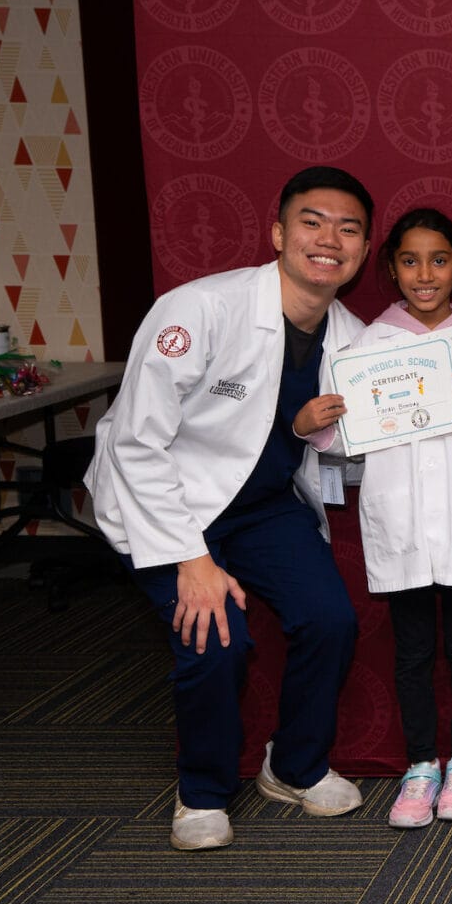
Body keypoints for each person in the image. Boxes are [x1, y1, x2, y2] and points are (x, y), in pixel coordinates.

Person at [87, 166, 374, 851]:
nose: (329, 238)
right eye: (312, 220)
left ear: (363, 250)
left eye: (349, 228)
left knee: (330, 618)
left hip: (262, 505)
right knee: (216, 634)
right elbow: (136, 441)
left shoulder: (358, 340)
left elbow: (356, 449)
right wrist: (193, 559)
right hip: (167, 504)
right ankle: (203, 789)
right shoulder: (198, 310)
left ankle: (294, 765)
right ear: (277, 232)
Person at [306, 208, 452, 829]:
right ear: (391, 268)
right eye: (411, 260)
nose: (426, 275)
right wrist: (320, 426)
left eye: (439, 260)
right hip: (399, 520)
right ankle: (421, 765)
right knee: (413, 651)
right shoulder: (364, 347)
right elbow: (345, 443)